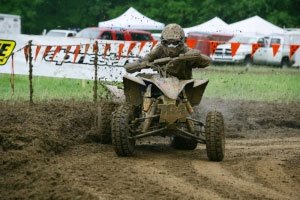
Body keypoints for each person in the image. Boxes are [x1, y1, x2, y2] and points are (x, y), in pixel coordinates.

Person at [125, 23, 211, 80]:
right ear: (162, 41)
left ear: (182, 41)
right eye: (167, 43)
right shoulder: (159, 49)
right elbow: (145, 59)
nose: (171, 46)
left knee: (196, 86)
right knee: (140, 80)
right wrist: (139, 65)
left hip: (183, 83)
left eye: (175, 43)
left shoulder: (186, 51)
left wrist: (196, 57)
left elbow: (207, 61)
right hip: (162, 82)